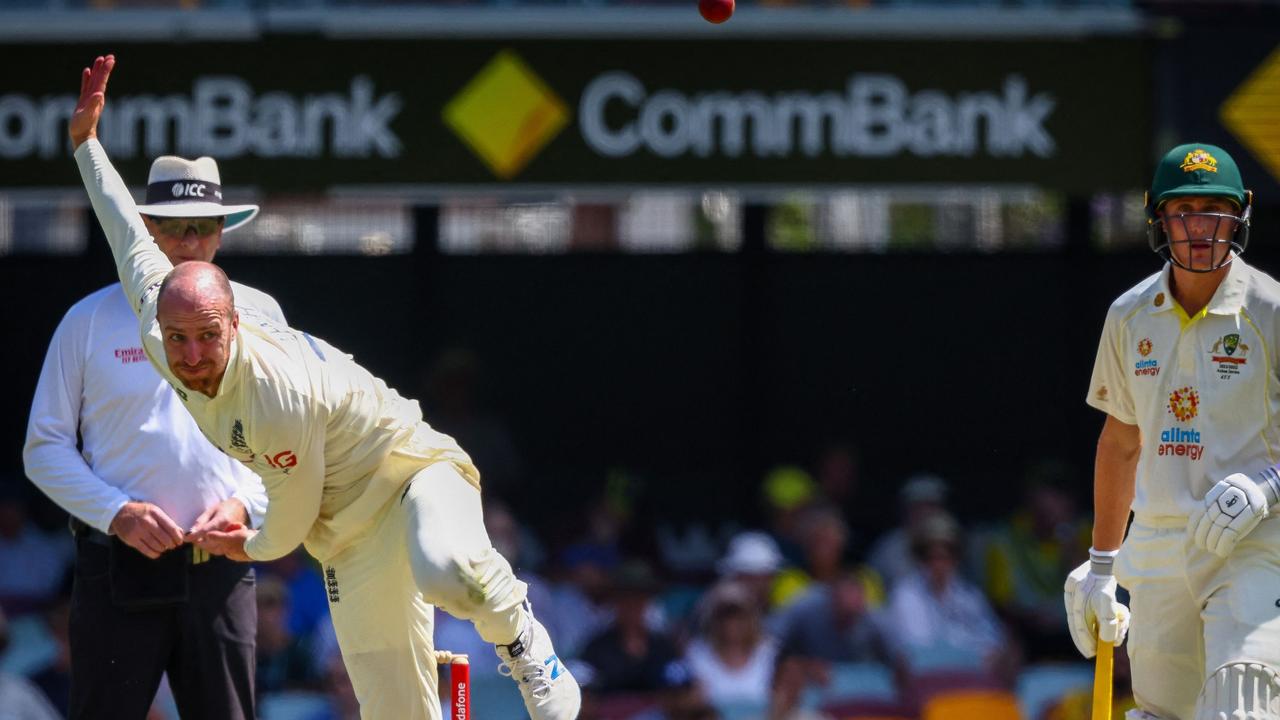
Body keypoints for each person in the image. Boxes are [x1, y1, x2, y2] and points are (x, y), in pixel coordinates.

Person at [69, 55, 579, 720]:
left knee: (443, 570)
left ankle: (525, 643)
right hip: (347, 536)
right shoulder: (156, 305)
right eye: (178, 339)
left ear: (235, 325)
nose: (190, 356)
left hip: (411, 474)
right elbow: (120, 223)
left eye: (208, 338)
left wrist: (240, 542)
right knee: (394, 707)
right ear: (156, 319)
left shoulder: (274, 395)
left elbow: (284, 527)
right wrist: (85, 142)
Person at [24, 118, 281, 718]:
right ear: (142, 226)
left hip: (221, 563)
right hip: (116, 568)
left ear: (221, 232)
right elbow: (44, 448)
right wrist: (117, 513)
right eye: (171, 226)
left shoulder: (263, 316)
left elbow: (292, 438)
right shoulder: (87, 320)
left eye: (201, 227)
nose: (187, 240)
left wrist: (244, 505)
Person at [1066, 142, 1280, 719]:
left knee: (1244, 700)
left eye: (1215, 208)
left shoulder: (1271, 312)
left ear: (1242, 212)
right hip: (1159, 543)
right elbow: (1121, 442)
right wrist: (1102, 565)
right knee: (1163, 712)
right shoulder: (1129, 315)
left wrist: (1268, 486)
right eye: (1183, 210)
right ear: (1158, 217)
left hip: (1254, 543)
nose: (1200, 227)